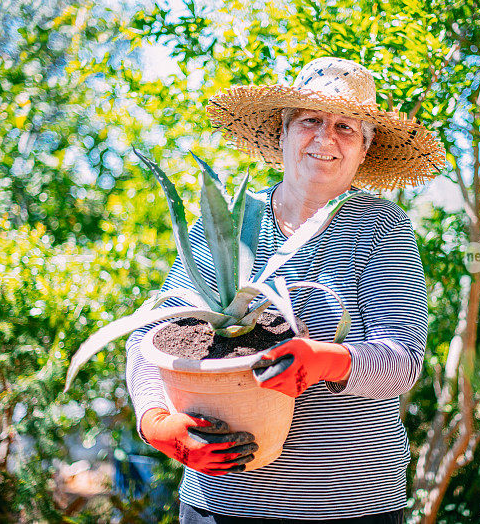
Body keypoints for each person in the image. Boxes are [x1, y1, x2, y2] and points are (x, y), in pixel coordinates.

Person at [126, 56, 445, 522]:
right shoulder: (227, 226)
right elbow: (151, 336)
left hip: (350, 505)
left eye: (346, 128)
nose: (325, 138)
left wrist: (326, 361)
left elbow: (402, 363)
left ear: (364, 150)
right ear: (283, 131)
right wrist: (155, 422)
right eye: (310, 120)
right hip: (220, 501)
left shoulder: (381, 227)